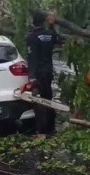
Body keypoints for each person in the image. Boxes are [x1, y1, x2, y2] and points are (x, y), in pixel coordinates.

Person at [25, 10, 63, 138]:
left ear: (33, 22)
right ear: (43, 22)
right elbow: (58, 39)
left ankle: (41, 131)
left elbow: (32, 57)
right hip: (48, 71)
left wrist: (32, 76)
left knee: (38, 101)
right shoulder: (50, 34)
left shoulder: (31, 37)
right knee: (48, 98)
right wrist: (52, 25)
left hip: (38, 73)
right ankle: (51, 128)